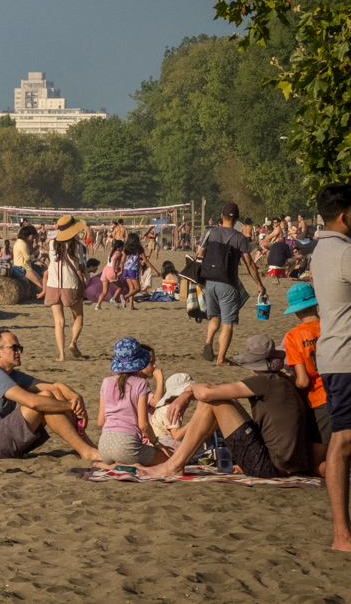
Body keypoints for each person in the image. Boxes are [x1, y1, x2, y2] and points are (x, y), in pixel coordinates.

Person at [139, 334, 310, 480]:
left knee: (210, 402)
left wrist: (187, 391)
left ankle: (174, 466)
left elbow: (207, 394)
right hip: (285, 463)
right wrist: (187, 394)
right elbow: (217, 390)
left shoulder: (264, 382)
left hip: (270, 467)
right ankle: (175, 464)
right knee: (224, 400)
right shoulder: (281, 381)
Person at [0, 330, 101, 461]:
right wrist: (71, 407)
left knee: (52, 394)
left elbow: (55, 387)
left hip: (2, 438)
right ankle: (86, 451)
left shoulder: (12, 375)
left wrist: (76, 397)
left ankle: (89, 447)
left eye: (20, 348)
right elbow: (32, 402)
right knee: (44, 399)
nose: (19, 352)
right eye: (14, 348)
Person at [312, 181, 351, 552]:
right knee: (343, 440)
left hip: (336, 355)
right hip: (345, 358)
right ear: (345, 215)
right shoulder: (343, 252)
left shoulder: (324, 248)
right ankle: (342, 535)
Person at [197, 202, 266, 366]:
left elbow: (200, 253)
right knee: (227, 323)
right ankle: (220, 359)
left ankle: (208, 342)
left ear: (222, 216)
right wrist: (259, 285)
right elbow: (249, 263)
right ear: (237, 219)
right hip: (227, 283)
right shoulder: (239, 238)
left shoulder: (211, 232)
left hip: (210, 282)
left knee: (215, 317)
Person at [96, 338, 168, 466]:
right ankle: (121, 465)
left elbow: (101, 422)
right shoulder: (141, 384)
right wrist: (156, 443)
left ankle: (110, 465)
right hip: (126, 445)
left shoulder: (106, 382)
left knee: (128, 457)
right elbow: (143, 425)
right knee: (169, 459)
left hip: (104, 446)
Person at [282, 282, 329, 467]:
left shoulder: (294, 336)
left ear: (296, 311)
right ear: (316, 304)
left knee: (317, 464)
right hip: (343, 391)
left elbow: (302, 381)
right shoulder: (331, 326)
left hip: (320, 400)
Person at [43, 214, 87, 360]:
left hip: (53, 285)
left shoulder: (51, 244)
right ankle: (73, 342)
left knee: (59, 322)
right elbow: (81, 266)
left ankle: (61, 355)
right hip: (70, 284)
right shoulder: (77, 246)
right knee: (78, 316)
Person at [149, 372, 194, 449]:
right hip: (164, 443)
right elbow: (176, 436)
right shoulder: (172, 409)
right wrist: (193, 422)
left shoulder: (163, 407)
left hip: (154, 443)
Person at [12, 225, 43, 294]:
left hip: (20, 266)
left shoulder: (18, 242)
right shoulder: (23, 244)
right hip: (24, 268)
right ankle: (40, 296)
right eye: (31, 236)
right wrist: (35, 255)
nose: (31, 238)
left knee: (40, 280)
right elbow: (27, 258)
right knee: (39, 284)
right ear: (28, 235)